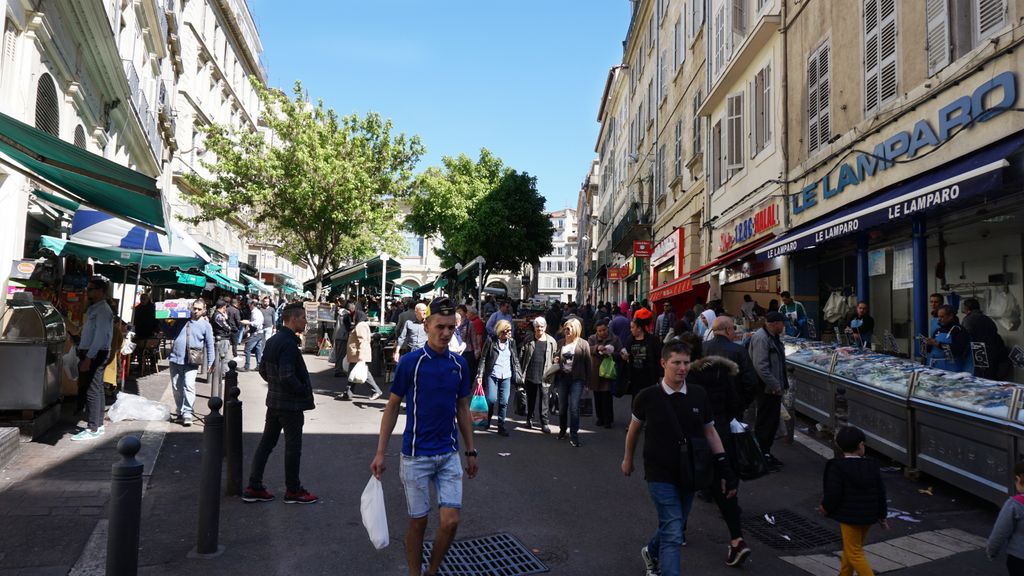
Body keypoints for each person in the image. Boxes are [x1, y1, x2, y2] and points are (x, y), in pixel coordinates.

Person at [370, 298, 478, 576]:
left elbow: (463, 408)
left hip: (448, 455)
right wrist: (380, 452)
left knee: (450, 522)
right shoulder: (410, 363)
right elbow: (392, 406)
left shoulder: (459, 364)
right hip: (416, 456)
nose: (445, 333)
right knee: (418, 523)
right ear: (426, 325)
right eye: (440, 326)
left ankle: (432, 571)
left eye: (451, 328)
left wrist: (471, 451)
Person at [622, 341, 739, 576]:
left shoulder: (698, 394)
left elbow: (710, 431)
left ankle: (650, 551)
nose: (682, 368)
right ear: (664, 363)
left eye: (686, 363)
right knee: (674, 533)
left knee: (673, 524)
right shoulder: (647, 397)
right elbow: (633, 429)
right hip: (659, 473)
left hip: (690, 472)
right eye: (676, 362)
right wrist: (628, 459)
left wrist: (724, 466)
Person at [242, 303, 317, 504]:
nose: (305, 322)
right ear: (294, 319)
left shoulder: (274, 340)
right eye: (303, 318)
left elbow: (263, 370)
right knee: (293, 447)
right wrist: (301, 390)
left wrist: (274, 384)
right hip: (289, 405)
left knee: (266, 444)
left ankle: (254, 485)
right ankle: (293, 490)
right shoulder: (289, 344)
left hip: (274, 402)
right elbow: (287, 376)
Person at [686, 342, 752, 566]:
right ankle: (737, 539)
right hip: (721, 435)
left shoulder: (689, 377)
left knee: (684, 484)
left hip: (695, 440)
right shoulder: (724, 373)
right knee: (724, 487)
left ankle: (679, 530)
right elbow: (735, 403)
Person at [819, 426, 888, 576]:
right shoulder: (872, 466)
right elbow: (881, 492)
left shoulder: (837, 467)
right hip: (869, 516)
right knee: (852, 548)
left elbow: (833, 493)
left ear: (839, 446)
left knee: (854, 552)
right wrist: (882, 516)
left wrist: (826, 507)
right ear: (861, 445)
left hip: (849, 517)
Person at [71, 277, 114, 441]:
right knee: (97, 389)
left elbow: (100, 336)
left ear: (101, 291)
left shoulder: (102, 310)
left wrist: (89, 357)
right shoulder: (94, 308)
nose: (87, 292)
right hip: (92, 352)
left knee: (92, 389)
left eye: (91, 289)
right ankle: (99, 425)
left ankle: (93, 427)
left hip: (95, 353)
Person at [166, 299, 215, 427]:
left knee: (189, 385)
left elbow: (210, 345)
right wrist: (162, 321)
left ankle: (187, 412)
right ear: (191, 308)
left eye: (199, 309)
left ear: (204, 310)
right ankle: (180, 412)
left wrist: (211, 362)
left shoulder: (206, 325)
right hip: (175, 358)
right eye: (194, 308)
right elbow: (170, 334)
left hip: (191, 361)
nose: (196, 311)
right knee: (176, 387)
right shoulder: (182, 319)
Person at [749, 311, 789, 470]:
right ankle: (760, 457)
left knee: (771, 423)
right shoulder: (762, 338)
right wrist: (775, 385)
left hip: (772, 388)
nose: (783, 326)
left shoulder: (772, 337)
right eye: (782, 323)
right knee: (765, 423)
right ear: (774, 324)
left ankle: (765, 453)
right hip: (766, 389)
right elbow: (761, 367)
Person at [475, 319, 522, 436]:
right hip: (493, 374)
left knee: (504, 401)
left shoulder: (511, 342)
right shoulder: (491, 341)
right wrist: (480, 374)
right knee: (491, 399)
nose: (509, 333)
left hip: (506, 375)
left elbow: (515, 359)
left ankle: (501, 426)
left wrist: (519, 375)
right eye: (507, 331)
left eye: (510, 330)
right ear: (500, 331)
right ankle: (487, 421)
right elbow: (483, 358)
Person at [704, 316, 758, 417]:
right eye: (734, 328)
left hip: (707, 405)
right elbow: (750, 381)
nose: (735, 331)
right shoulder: (739, 351)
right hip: (733, 406)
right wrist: (743, 404)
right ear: (728, 330)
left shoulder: (702, 347)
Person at [554, 317, 592, 446]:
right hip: (562, 378)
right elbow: (555, 357)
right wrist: (555, 360)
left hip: (577, 379)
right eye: (565, 328)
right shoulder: (560, 343)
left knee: (574, 407)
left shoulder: (583, 344)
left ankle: (574, 435)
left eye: (569, 328)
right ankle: (562, 430)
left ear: (576, 330)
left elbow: (588, 364)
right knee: (562, 407)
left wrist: (588, 383)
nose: (567, 331)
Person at [519, 317, 557, 433]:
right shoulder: (528, 339)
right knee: (531, 398)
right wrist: (520, 373)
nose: (539, 329)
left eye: (541, 326)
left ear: (545, 327)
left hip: (545, 374)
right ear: (534, 328)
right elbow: (522, 356)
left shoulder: (551, 341)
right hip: (531, 373)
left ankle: (544, 423)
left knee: (544, 399)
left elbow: (555, 357)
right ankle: (529, 419)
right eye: (537, 327)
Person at [337, 307, 383, 401]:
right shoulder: (362, 325)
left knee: (363, 374)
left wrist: (361, 356)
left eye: (354, 316)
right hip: (356, 354)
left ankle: (376, 391)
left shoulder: (360, 326)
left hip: (358, 355)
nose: (353, 318)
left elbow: (362, 341)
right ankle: (348, 393)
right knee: (353, 374)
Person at [987, 461, 1024, 574]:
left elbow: (1000, 532)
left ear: (1018, 479)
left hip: (1019, 559)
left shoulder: (1015, 504)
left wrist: (992, 551)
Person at [962, 297, 1010, 380]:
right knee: (992, 378)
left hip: (980, 355)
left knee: (982, 379)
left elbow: (965, 337)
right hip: (995, 354)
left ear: (966, 308)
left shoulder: (968, 319)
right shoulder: (987, 319)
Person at [588, 317, 622, 429]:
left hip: (608, 370)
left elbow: (620, 352)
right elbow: (588, 349)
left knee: (607, 397)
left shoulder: (615, 339)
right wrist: (597, 348)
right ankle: (600, 418)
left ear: (608, 328)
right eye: (600, 331)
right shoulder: (592, 338)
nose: (602, 332)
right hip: (596, 371)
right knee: (597, 396)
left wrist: (611, 353)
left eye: (604, 330)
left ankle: (608, 420)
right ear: (596, 331)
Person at [621, 317, 663, 397]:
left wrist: (660, 375)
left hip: (649, 376)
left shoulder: (652, 340)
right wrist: (624, 356)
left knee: (649, 401)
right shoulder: (630, 339)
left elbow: (659, 357)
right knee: (636, 401)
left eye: (632, 327)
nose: (631, 329)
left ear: (639, 328)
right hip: (634, 377)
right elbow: (626, 353)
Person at [926, 304, 974, 373]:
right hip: (935, 367)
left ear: (950, 316)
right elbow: (930, 350)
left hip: (952, 369)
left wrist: (939, 344)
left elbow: (958, 350)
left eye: (942, 317)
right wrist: (928, 344)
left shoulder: (959, 330)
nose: (939, 319)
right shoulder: (938, 330)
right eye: (939, 317)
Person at [209, 299, 234, 397]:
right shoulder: (219, 316)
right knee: (223, 359)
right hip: (222, 338)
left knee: (222, 358)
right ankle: (223, 377)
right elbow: (226, 327)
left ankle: (221, 376)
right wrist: (227, 320)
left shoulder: (217, 314)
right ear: (223, 307)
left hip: (221, 338)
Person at [242, 300, 264, 371]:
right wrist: (248, 330)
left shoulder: (255, 312)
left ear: (252, 305)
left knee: (247, 349)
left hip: (256, 333)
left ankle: (246, 366)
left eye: (249, 304)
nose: (248, 306)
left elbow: (257, 323)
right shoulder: (257, 312)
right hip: (259, 332)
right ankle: (259, 365)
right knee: (258, 349)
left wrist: (248, 323)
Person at [333, 301, 353, 377]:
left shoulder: (340, 313)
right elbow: (347, 326)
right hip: (342, 335)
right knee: (341, 354)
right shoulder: (346, 315)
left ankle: (337, 369)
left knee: (338, 353)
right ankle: (338, 370)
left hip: (337, 334)